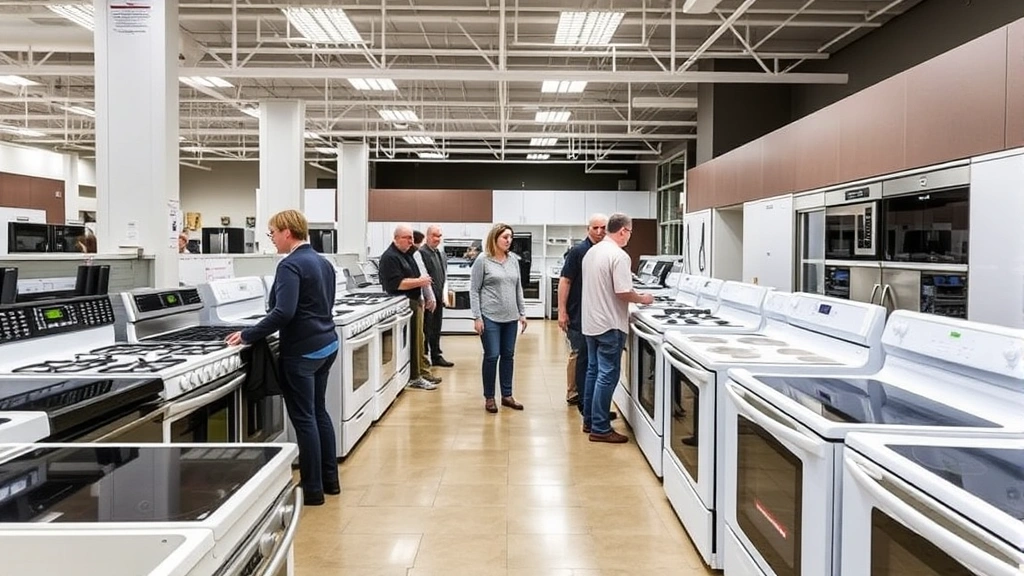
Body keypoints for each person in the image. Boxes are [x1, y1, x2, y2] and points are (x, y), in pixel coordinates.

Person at [224, 209, 339, 505]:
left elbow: (283, 312)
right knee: (319, 412)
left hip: (302, 351)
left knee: (304, 419)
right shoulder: (323, 262)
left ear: (287, 232)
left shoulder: (290, 266)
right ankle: (330, 480)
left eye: (272, 233)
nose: (272, 239)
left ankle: (312, 490)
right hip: (326, 344)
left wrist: (249, 334)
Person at [581, 212, 654, 443]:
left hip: (591, 322)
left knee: (594, 371)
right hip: (610, 324)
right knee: (607, 374)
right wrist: (644, 299)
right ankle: (601, 428)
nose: (629, 236)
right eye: (630, 232)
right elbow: (622, 292)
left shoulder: (592, 251)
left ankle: (590, 420)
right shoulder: (619, 256)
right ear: (623, 231)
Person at [470, 223, 527, 413]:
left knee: (508, 356)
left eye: (510, 237)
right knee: (492, 355)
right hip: (490, 316)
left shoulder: (513, 261)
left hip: (511, 317)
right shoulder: (483, 260)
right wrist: (477, 317)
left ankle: (507, 395)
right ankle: (489, 397)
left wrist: (522, 313)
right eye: (505, 237)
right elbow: (474, 290)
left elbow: (518, 287)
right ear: (495, 238)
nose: (509, 240)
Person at [379, 224, 439, 390]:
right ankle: (414, 377)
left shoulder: (407, 254)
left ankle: (420, 372)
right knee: (413, 341)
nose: (411, 241)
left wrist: (421, 294)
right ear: (397, 238)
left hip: (413, 301)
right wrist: (421, 282)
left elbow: (416, 273)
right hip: (402, 302)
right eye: (408, 238)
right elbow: (397, 284)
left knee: (418, 340)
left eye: (412, 238)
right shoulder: (390, 257)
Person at [558, 214, 607, 409]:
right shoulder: (579, 251)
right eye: (595, 228)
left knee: (593, 360)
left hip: (597, 316)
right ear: (588, 229)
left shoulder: (606, 251)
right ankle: (581, 401)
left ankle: (591, 402)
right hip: (578, 314)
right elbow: (565, 280)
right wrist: (562, 311)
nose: (599, 232)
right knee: (581, 355)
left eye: (603, 228)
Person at [419, 224, 453, 367]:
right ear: (427, 236)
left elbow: (442, 276)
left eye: (439, 236)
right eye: (434, 235)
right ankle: (425, 358)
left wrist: (444, 295)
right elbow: (422, 276)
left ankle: (436, 355)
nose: (437, 239)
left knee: (436, 327)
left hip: (438, 297)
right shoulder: (422, 253)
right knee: (427, 328)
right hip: (428, 299)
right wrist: (427, 296)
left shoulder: (440, 253)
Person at [411, 230, 441, 382]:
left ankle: (424, 368)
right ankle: (422, 371)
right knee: (422, 336)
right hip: (417, 300)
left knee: (425, 334)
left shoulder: (433, 253)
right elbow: (423, 278)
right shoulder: (418, 253)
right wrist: (429, 296)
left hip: (420, 298)